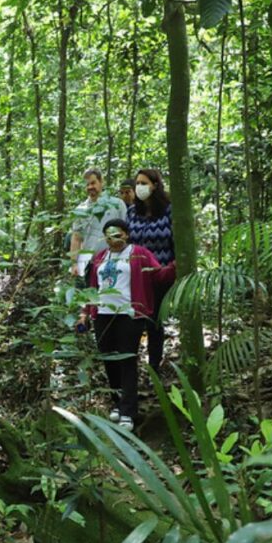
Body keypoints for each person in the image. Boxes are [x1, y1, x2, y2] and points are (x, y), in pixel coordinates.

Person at [76, 219, 175, 431]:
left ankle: (129, 411)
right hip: (102, 314)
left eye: (118, 235)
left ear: (126, 235)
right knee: (109, 359)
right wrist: (85, 313)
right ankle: (118, 402)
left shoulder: (139, 253)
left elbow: (158, 275)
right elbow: (92, 287)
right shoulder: (100, 257)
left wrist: (177, 265)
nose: (114, 240)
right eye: (109, 236)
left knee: (127, 359)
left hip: (130, 314)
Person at [127, 169, 174, 371]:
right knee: (134, 321)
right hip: (135, 277)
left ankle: (154, 365)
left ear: (155, 185)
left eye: (144, 183)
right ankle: (130, 365)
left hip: (161, 274)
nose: (139, 187)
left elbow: (177, 242)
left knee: (154, 322)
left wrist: (174, 268)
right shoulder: (131, 212)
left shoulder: (169, 211)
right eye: (137, 183)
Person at [69, 168, 127, 278]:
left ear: (101, 182)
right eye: (87, 184)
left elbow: (126, 234)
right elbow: (76, 238)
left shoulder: (117, 204)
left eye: (93, 183)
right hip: (89, 265)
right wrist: (74, 264)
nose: (90, 187)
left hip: (114, 262)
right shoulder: (80, 210)